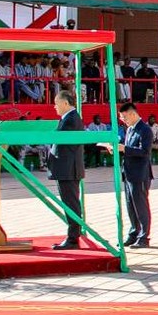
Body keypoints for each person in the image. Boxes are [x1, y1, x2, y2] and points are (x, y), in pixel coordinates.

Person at [48, 88, 88, 249]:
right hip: (65, 169)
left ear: (65, 103)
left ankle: (73, 239)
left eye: (56, 104)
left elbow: (65, 142)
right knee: (69, 203)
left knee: (71, 204)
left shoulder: (71, 119)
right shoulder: (68, 118)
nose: (54, 107)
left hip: (68, 170)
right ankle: (72, 236)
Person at [115, 102, 154, 248]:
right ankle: (134, 233)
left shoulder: (145, 130)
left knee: (140, 206)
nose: (123, 120)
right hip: (129, 173)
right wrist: (119, 149)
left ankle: (144, 237)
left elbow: (144, 152)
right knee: (130, 206)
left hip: (140, 174)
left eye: (124, 117)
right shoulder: (130, 129)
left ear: (132, 114)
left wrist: (125, 148)